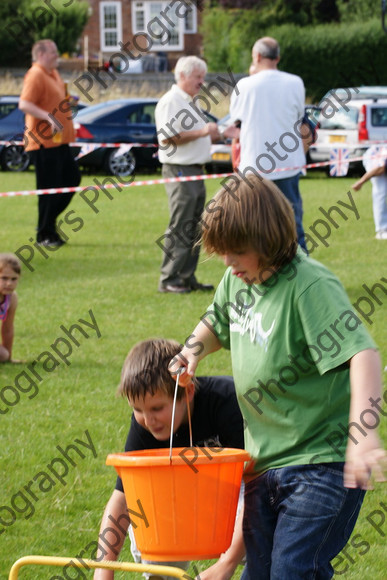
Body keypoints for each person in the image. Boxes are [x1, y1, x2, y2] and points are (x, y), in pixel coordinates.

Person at [169, 174, 386, 580]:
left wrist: (364, 435)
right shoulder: (237, 281)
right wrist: (191, 351)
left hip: (321, 463)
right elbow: (217, 321)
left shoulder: (309, 286)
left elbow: (363, 355)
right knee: (261, 573)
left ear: (268, 240)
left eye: (237, 252)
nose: (228, 263)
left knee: (293, 571)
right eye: (223, 254)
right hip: (262, 463)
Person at [93, 338, 244, 580]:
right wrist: (103, 573)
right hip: (183, 503)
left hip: (236, 496)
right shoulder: (145, 426)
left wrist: (227, 563)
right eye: (138, 409)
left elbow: (259, 489)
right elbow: (122, 500)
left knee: (269, 532)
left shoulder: (229, 404)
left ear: (188, 392)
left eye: (156, 408)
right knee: (148, 512)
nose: (148, 420)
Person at [225, 37, 309, 252]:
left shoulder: (244, 85)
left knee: (254, 228)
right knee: (292, 227)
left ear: (257, 57)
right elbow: (300, 119)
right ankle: (302, 278)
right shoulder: (295, 82)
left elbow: (236, 124)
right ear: (278, 58)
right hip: (288, 165)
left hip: (255, 167)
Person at [155, 56, 220, 293]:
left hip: (193, 170)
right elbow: (168, 136)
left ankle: (186, 276)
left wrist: (218, 132)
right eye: (198, 77)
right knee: (181, 224)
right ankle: (169, 278)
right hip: (180, 169)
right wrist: (203, 131)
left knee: (194, 227)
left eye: (203, 77)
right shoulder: (172, 101)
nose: (202, 82)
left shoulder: (189, 101)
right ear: (182, 76)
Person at [19, 39, 81, 248]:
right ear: (42, 54)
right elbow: (25, 103)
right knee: (49, 190)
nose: (57, 56)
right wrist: (48, 117)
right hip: (43, 143)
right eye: (53, 53)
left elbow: (53, 99)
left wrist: (69, 101)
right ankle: (45, 234)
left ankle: (48, 226)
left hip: (59, 142)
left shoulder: (52, 74)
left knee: (72, 180)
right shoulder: (36, 74)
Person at [352, 147, 387, 240]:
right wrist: (361, 182)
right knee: (381, 191)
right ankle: (381, 230)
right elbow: (379, 169)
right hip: (374, 158)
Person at [0, 253, 21, 363]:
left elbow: (7, 329)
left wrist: (9, 358)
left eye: (14, 279)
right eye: (4, 278)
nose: (9, 283)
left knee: (3, 355)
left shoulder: (12, 298)